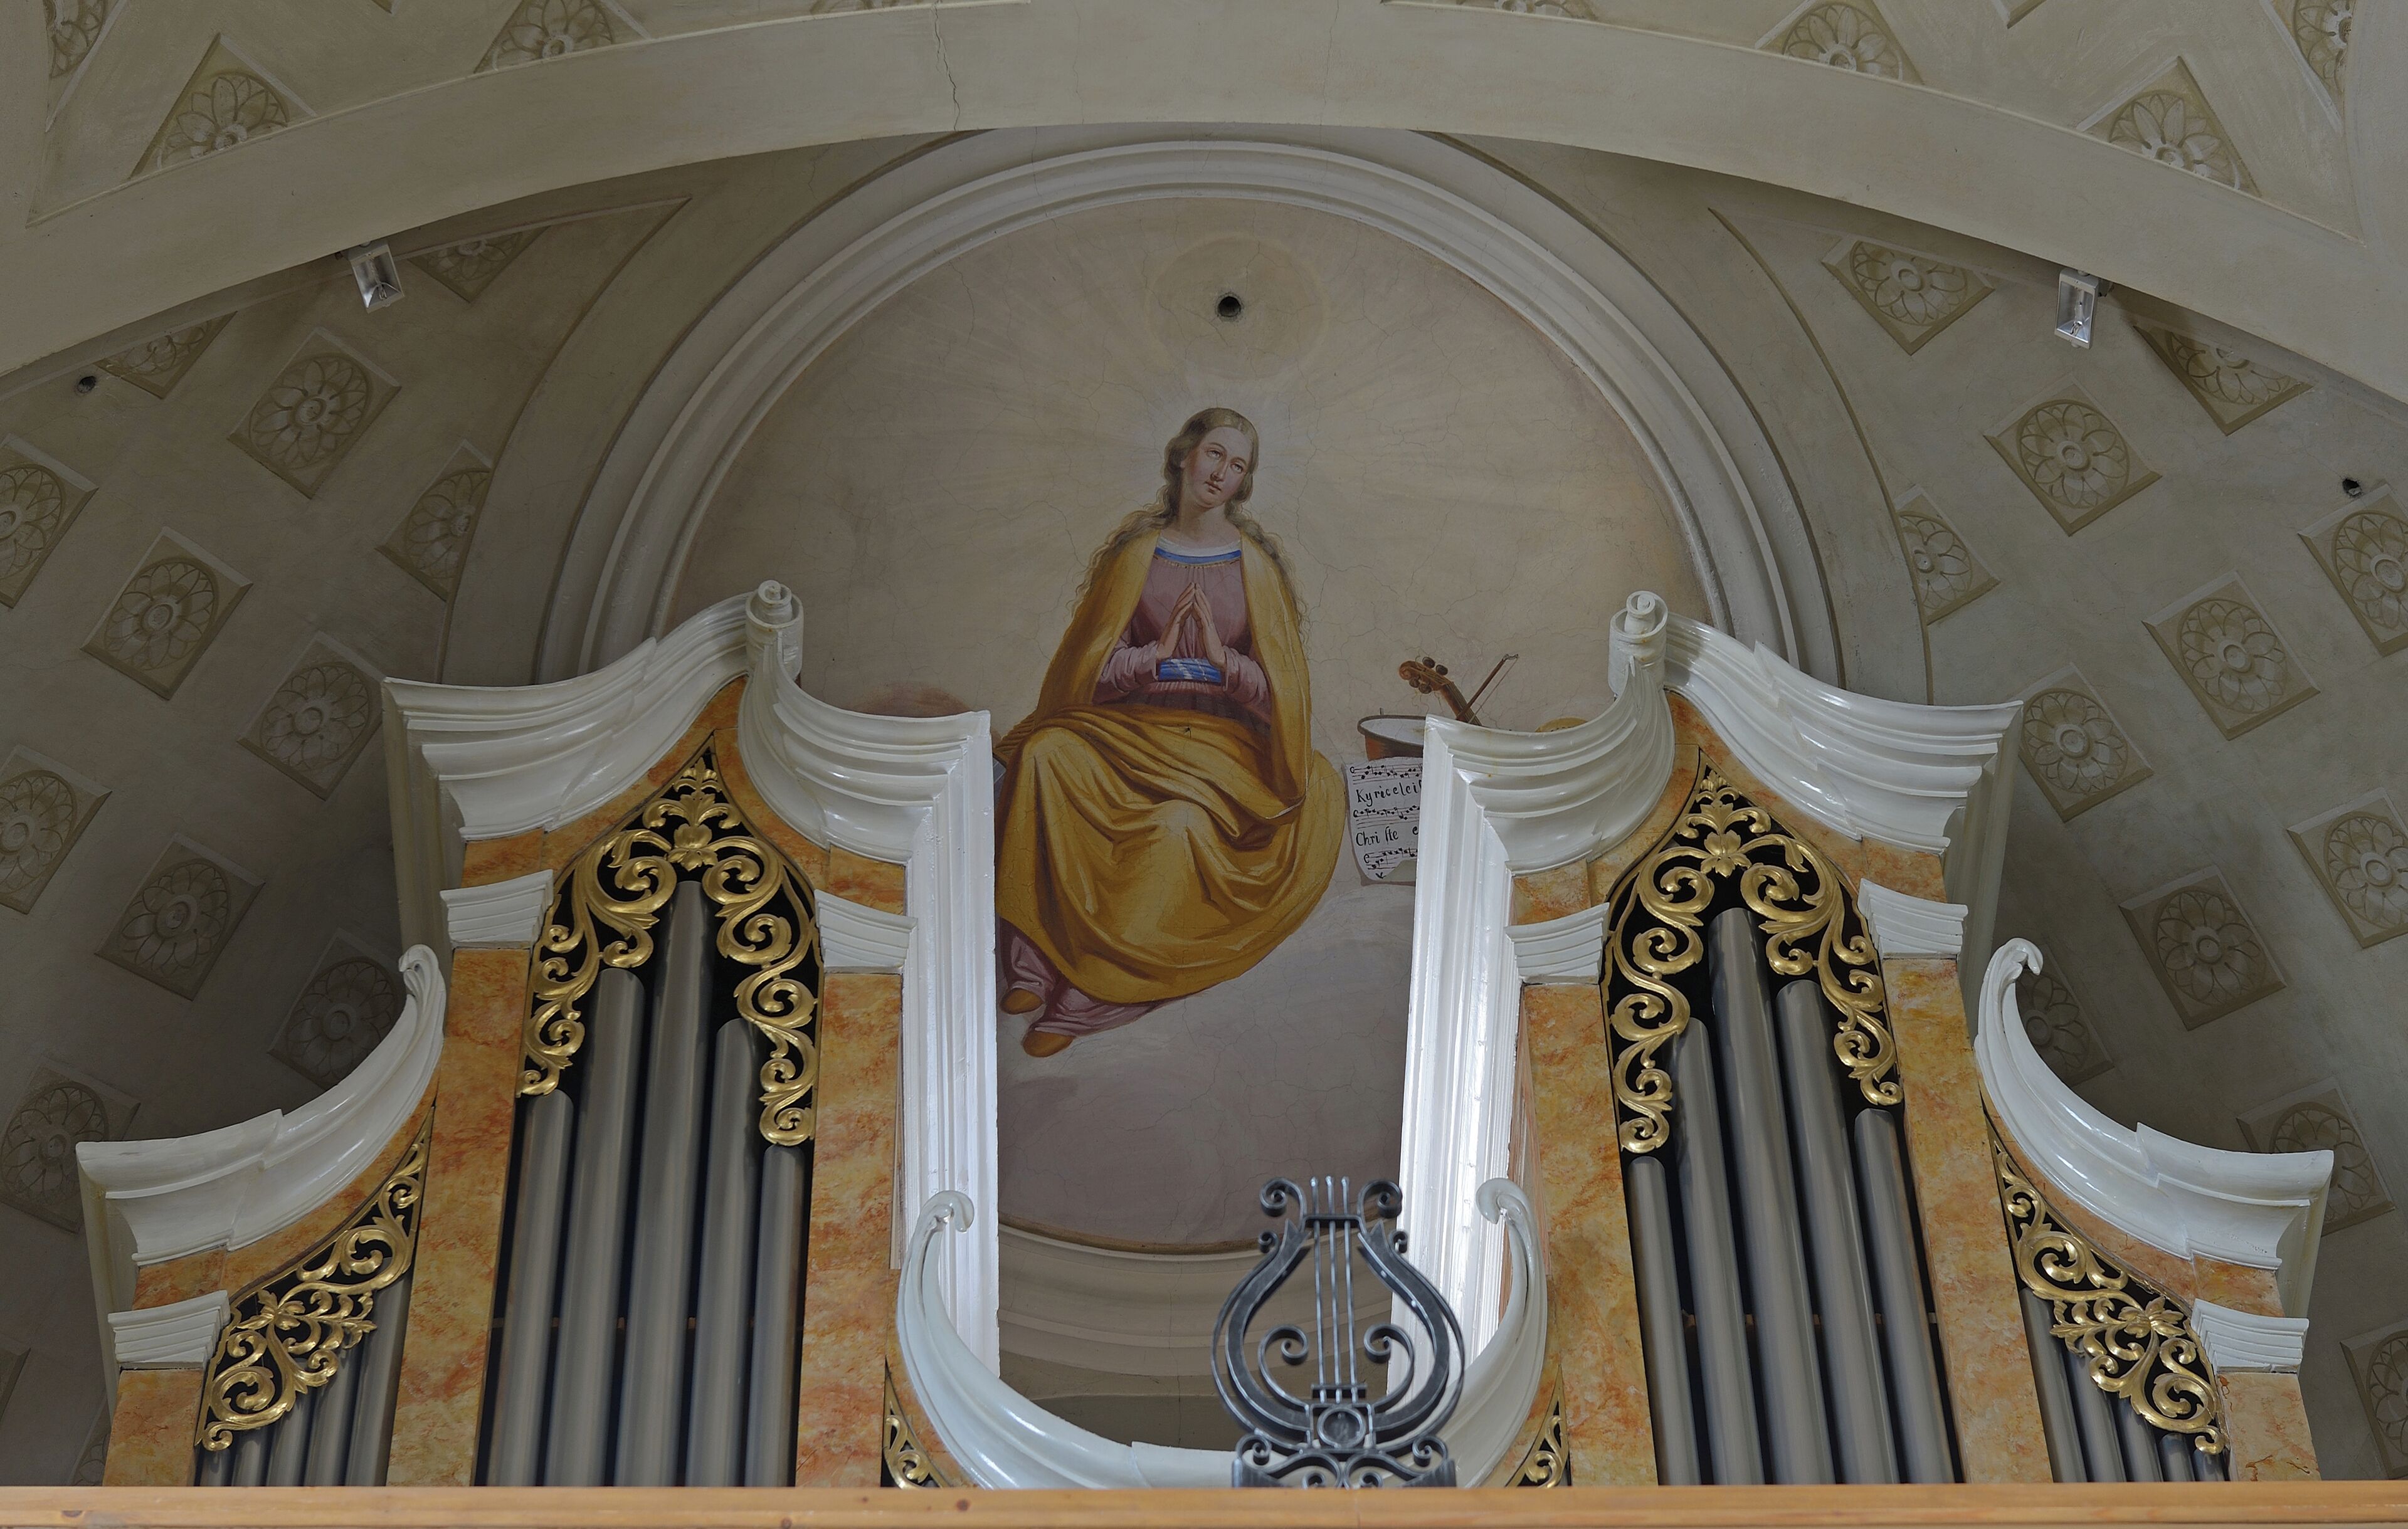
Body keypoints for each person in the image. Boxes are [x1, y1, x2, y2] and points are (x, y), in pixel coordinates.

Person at [994, 407, 1343, 1056]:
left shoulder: (1255, 570)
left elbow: (1282, 698)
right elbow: (1087, 673)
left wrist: (1222, 660)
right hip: (1127, 730)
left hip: (1221, 748)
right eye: (1214, 454)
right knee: (1044, 753)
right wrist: (1150, 658)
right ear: (1184, 455)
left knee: (1176, 827)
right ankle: (1034, 962)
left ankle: (1089, 994)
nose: (1221, 473)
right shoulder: (1136, 557)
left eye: (1237, 466)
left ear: (1243, 483)